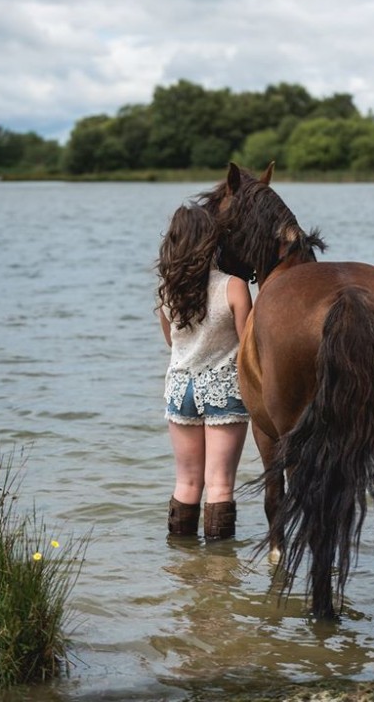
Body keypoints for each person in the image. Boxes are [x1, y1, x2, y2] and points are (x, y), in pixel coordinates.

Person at [156, 204, 252, 540]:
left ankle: (183, 566)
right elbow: (248, 344)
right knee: (220, 483)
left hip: (180, 388)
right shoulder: (234, 286)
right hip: (223, 387)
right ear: (211, 241)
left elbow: (172, 342)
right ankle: (219, 574)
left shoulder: (167, 288)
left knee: (187, 481)